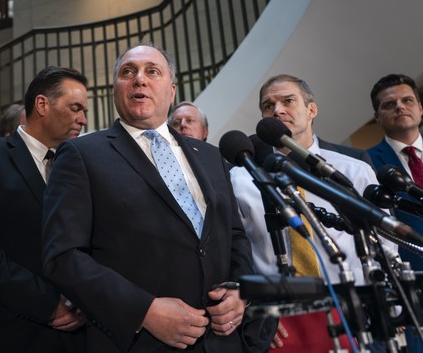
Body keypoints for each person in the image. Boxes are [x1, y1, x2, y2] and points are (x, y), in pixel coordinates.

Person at [42, 43, 272, 352]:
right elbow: (63, 257)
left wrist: (241, 290)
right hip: (141, 342)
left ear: (172, 89)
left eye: (152, 71)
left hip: (223, 341)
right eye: (128, 72)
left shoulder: (211, 157)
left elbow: (234, 235)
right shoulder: (81, 155)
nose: (139, 79)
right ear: (115, 89)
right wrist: (144, 311)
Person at [229, 74, 393, 352]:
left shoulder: (353, 170)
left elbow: (385, 242)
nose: (277, 109)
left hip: (354, 314)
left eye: (288, 101)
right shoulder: (239, 179)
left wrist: (387, 301)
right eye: (268, 106)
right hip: (279, 323)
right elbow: (236, 249)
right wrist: (253, 311)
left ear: (311, 110)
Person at [0, 66, 89, 352]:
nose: (83, 119)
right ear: (42, 104)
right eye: (75, 108)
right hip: (9, 332)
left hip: (77, 335)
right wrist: (49, 303)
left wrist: (85, 300)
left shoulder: (80, 165)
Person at [367, 73, 423, 352]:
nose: (400, 107)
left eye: (407, 100)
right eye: (389, 104)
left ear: (420, 108)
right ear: (377, 116)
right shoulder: (366, 164)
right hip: (411, 292)